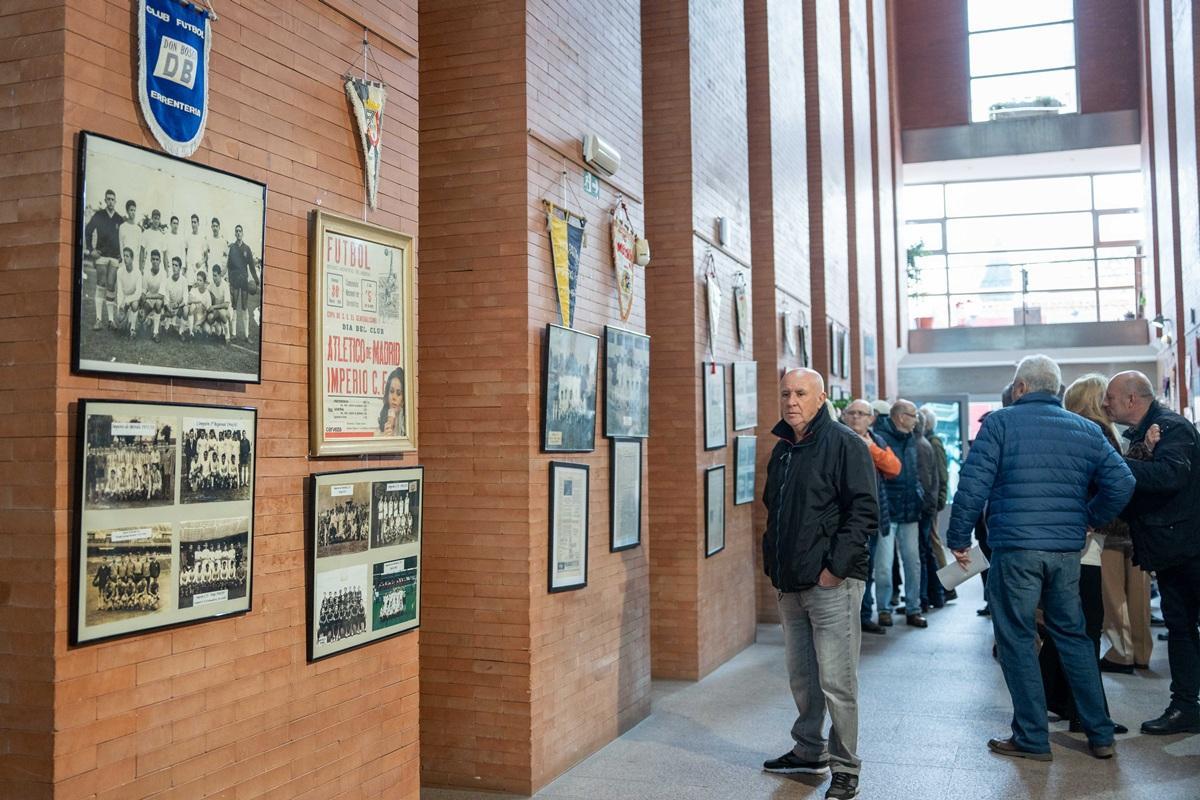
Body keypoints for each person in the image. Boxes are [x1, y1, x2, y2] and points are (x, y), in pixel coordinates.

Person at [947, 355, 1134, 761]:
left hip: (1015, 550)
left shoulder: (999, 423)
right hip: (1067, 552)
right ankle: (1100, 734)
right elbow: (1123, 481)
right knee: (1075, 638)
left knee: (1016, 639)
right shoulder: (1086, 429)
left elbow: (974, 485)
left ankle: (1032, 737)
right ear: (1059, 389)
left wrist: (958, 536)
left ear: (1020, 388)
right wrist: (1090, 519)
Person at [761, 369, 877, 800]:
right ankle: (809, 750)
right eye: (786, 393)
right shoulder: (784, 449)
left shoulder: (845, 444)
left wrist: (835, 570)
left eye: (801, 394)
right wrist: (774, 566)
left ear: (822, 398)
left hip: (832, 583)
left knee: (837, 680)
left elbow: (863, 513)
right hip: (791, 582)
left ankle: (845, 765)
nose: (791, 401)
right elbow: (774, 511)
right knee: (803, 677)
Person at [1104, 370, 1200, 735]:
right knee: (1181, 628)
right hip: (1173, 550)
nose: (1105, 403)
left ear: (1132, 399)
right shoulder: (1147, 432)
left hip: (1189, 548)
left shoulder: (1171, 428)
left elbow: (1170, 476)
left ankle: (1186, 704)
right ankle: (1185, 706)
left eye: (1111, 396)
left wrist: (1114, 464)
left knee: (1185, 628)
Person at [1038, 374, 1131, 735]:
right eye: (1105, 396)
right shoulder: (1097, 433)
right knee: (1086, 628)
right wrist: (1092, 517)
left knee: (1066, 624)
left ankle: (1056, 697)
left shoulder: (1060, 433)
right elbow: (1120, 483)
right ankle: (1087, 713)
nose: (1110, 402)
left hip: (1057, 541)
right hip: (1086, 546)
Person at [842, 399, 900, 635]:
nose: (856, 417)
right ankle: (847, 617)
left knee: (868, 570)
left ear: (871, 418)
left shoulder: (877, 440)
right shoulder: (840, 438)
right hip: (846, 517)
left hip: (874, 517)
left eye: (861, 413)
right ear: (845, 416)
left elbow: (894, 468)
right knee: (847, 570)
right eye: (852, 413)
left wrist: (870, 448)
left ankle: (865, 615)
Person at [872, 399, 927, 628]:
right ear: (901, 417)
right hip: (887, 511)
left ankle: (913, 608)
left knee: (912, 562)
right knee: (884, 565)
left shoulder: (911, 439)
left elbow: (914, 473)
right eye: (913, 415)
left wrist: (919, 493)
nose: (917, 420)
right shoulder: (879, 437)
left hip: (910, 509)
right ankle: (884, 609)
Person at [919, 406, 952, 604]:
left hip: (933, 501)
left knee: (934, 541)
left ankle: (946, 586)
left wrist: (939, 499)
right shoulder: (930, 441)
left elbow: (941, 474)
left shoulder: (933, 442)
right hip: (933, 500)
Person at [912, 411, 942, 613]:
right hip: (928, 505)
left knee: (925, 551)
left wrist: (933, 503)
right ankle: (937, 594)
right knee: (927, 550)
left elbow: (930, 478)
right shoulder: (924, 443)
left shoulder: (923, 445)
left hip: (925, 507)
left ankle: (930, 595)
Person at [84, 188, 123, 330]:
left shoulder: (119, 219)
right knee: (101, 284)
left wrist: (122, 255)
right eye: (108, 199)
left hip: (114, 258)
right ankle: (98, 319)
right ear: (105, 200)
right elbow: (88, 230)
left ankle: (111, 320)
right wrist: (90, 249)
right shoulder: (99, 215)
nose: (111, 202)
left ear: (115, 201)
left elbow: (123, 238)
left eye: (113, 199)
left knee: (111, 286)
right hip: (101, 256)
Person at [225, 224, 257, 342]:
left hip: (243, 281)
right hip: (234, 280)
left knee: (244, 306)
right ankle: (233, 333)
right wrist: (229, 280)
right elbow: (229, 265)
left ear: (242, 233)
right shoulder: (232, 248)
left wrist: (256, 281)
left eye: (240, 231)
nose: (238, 233)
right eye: (236, 231)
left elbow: (252, 267)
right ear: (235, 234)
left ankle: (247, 336)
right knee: (233, 306)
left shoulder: (247, 248)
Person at [378, 367, 406, 436]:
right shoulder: (379, 427)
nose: (394, 397)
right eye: (391, 391)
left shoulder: (407, 425)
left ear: (403, 400)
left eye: (398, 393)